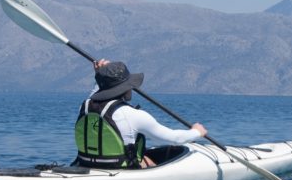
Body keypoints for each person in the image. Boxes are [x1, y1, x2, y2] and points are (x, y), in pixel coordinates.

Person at [74, 59, 207, 169]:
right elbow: (172, 139)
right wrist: (196, 132)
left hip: (87, 164)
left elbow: (96, 95)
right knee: (150, 160)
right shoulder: (133, 115)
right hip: (121, 170)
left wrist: (101, 74)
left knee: (145, 157)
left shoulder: (85, 106)